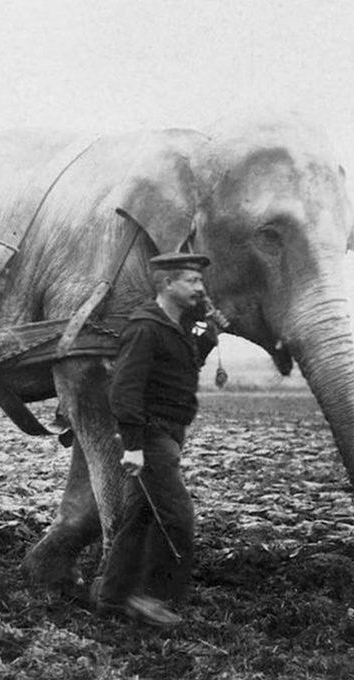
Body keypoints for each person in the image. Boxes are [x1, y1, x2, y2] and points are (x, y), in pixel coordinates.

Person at [97, 252, 227, 627]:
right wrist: (134, 446)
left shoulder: (176, 327)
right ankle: (152, 598)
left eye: (201, 281)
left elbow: (177, 370)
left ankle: (113, 597)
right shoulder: (146, 327)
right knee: (176, 517)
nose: (200, 288)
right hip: (152, 435)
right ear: (167, 283)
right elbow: (124, 390)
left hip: (170, 431)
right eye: (192, 280)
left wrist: (207, 341)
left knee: (138, 516)